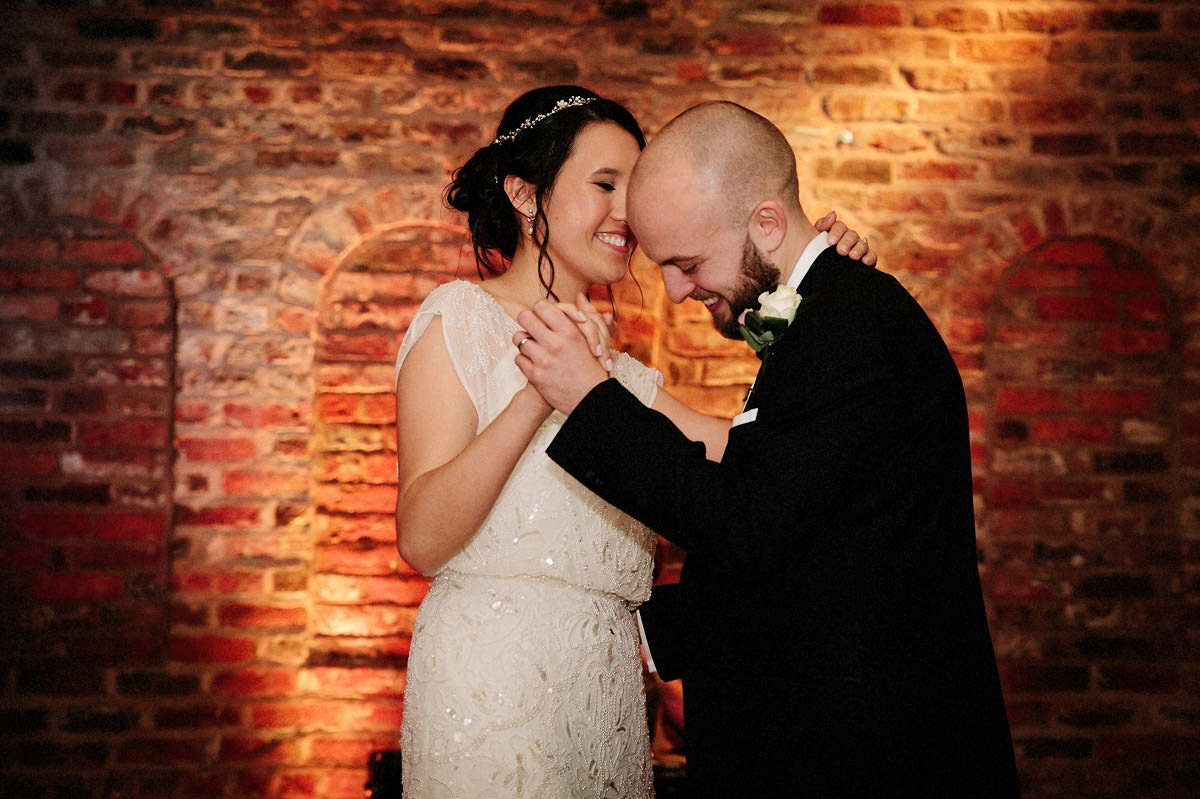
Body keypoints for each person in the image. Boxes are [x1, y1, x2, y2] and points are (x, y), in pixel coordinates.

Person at [514, 101, 1021, 798]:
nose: (674, 290)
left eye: (688, 263)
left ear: (768, 223)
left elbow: (746, 522)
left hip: (867, 757)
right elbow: (812, 541)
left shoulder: (852, 326)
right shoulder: (829, 318)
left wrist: (592, 401)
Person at [392, 87, 873, 798]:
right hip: (491, 693)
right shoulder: (457, 318)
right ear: (526, 195)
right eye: (604, 185)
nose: (627, 213)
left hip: (610, 699)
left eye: (635, 186)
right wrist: (543, 390)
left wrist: (816, 296)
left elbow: (745, 458)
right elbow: (423, 538)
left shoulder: (618, 372)